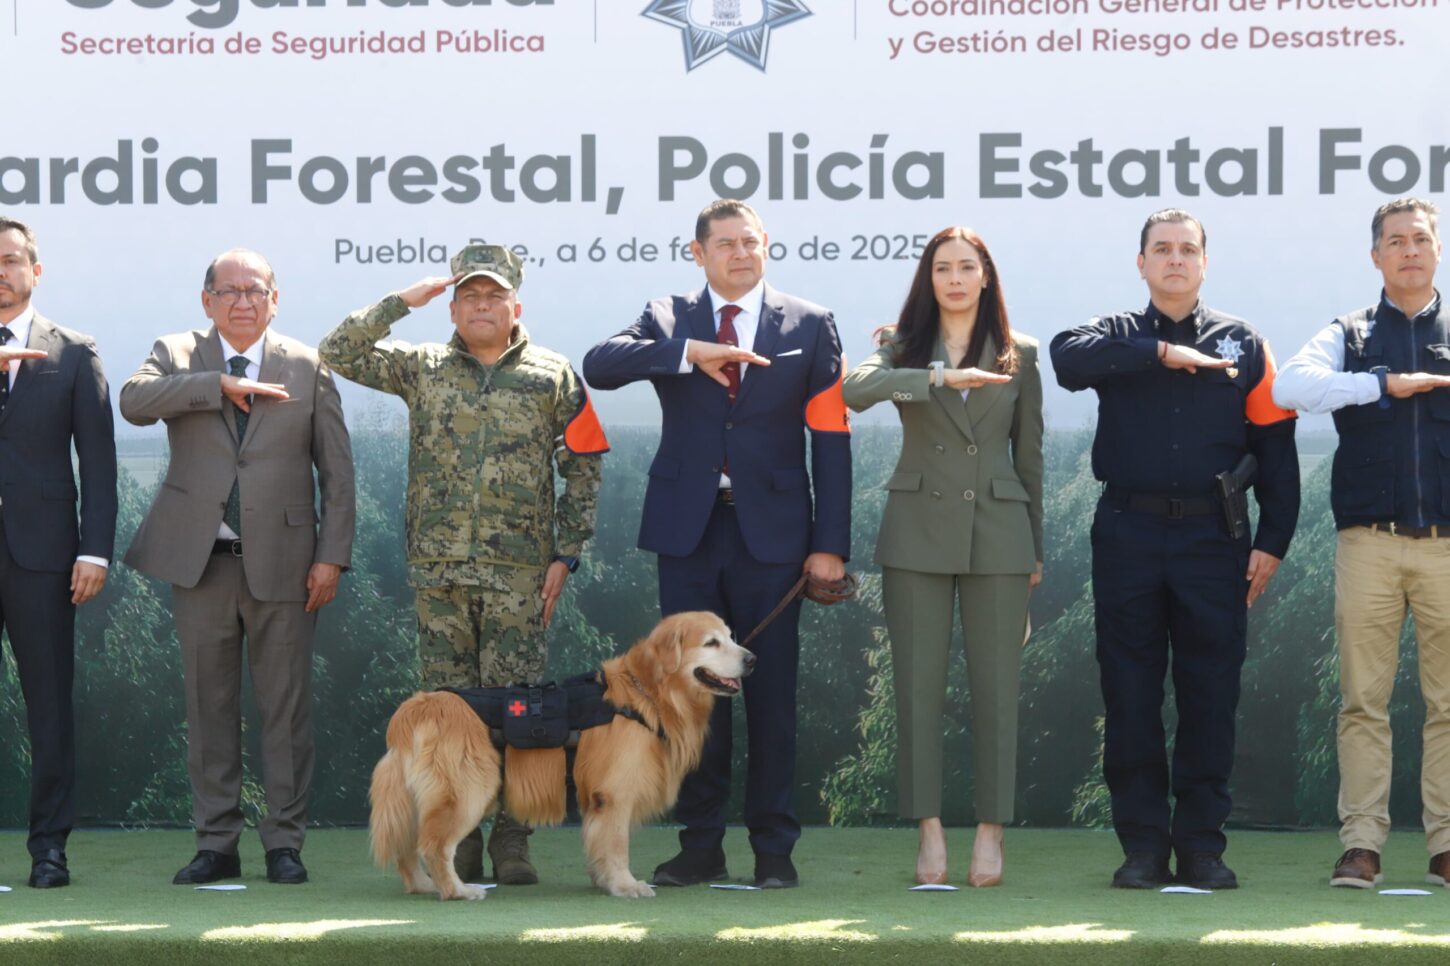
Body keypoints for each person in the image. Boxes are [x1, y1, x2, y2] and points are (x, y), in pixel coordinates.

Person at [583, 199, 851, 889]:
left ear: (766, 246)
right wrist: (687, 353)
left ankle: (774, 852)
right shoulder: (667, 316)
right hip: (690, 535)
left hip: (775, 539)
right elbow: (600, 365)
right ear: (698, 253)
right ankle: (700, 846)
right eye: (725, 243)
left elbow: (830, 439)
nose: (740, 253)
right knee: (691, 698)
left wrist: (830, 543)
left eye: (750, 242)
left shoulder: (811, 323)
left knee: (772, 700)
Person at [320, 243, 607, 886]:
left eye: (494, 296)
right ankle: (459, 839)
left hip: (519, 574)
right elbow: (338, 351)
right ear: (451, 309)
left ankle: (513, 842)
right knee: (450, 715)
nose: (482, 306)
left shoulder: (553, 374)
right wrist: (404, 300)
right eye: (469, 296)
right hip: (440, 571)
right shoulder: (422, 367)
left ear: (515, 307)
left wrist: (567, 552)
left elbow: (584, 464)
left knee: (521, 713)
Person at [1050, 208, 1299, 890]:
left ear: (1204, 263)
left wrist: (1273, 540)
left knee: (1209, 695)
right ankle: (1142, 849)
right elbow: (1065, 359)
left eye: (1188, 249)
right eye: (1161, 249)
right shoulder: (1114, 334)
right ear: (1142, 264)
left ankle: (1200, 848)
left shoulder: (1245, 343)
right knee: (1129, 695)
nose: (1175, 260)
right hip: (1127, 533)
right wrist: (1158, 353)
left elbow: (1276, 450)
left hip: (1215, 539)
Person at [121, 249, 355, 886]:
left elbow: (337, 474)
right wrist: (215, 385)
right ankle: (216, 843)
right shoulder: (176, 353)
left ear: (275, 300)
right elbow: (134, 402)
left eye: (255, 290)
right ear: (207, 301)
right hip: (201, 565)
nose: (242, 301)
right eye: (228, 291)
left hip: (288, 564)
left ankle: (284, 844)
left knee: (285, 710)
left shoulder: (308, 364)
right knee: (209, 709)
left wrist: (331, 556)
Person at [842, 226, 1042, 888]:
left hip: (1001, 534)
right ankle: (928, 830)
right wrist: (939, 376)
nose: (955, 279)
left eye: (967, 267)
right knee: (917, 688)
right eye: (942, 268)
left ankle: (991, 830)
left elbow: (1030, 457)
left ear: (987, 276)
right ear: (928, 280)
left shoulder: (1021, 353)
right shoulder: (901, 346)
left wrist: (1035, 552)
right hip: (916, 532)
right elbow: (854, 391)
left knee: (997, 690)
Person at [1272, 197, 1450, 891]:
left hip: (1447, 547)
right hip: (1369, 544)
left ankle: (1446, 846)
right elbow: (1290, 386)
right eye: (1395, 241)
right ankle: (1361, 845)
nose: (1409, 250)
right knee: (1362, 703)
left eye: (1420, 239)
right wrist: (1380, 384)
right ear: (1375, 256)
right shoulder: (1348, 332)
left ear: (1437, 250)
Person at [0, 217, 117, 889]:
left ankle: (49, 850)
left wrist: (94, 550)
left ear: (35, 271)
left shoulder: (73, 352)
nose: (1, 272)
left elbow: (98, 461)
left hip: (43, 556)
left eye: (11, 260)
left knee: (48, 707)